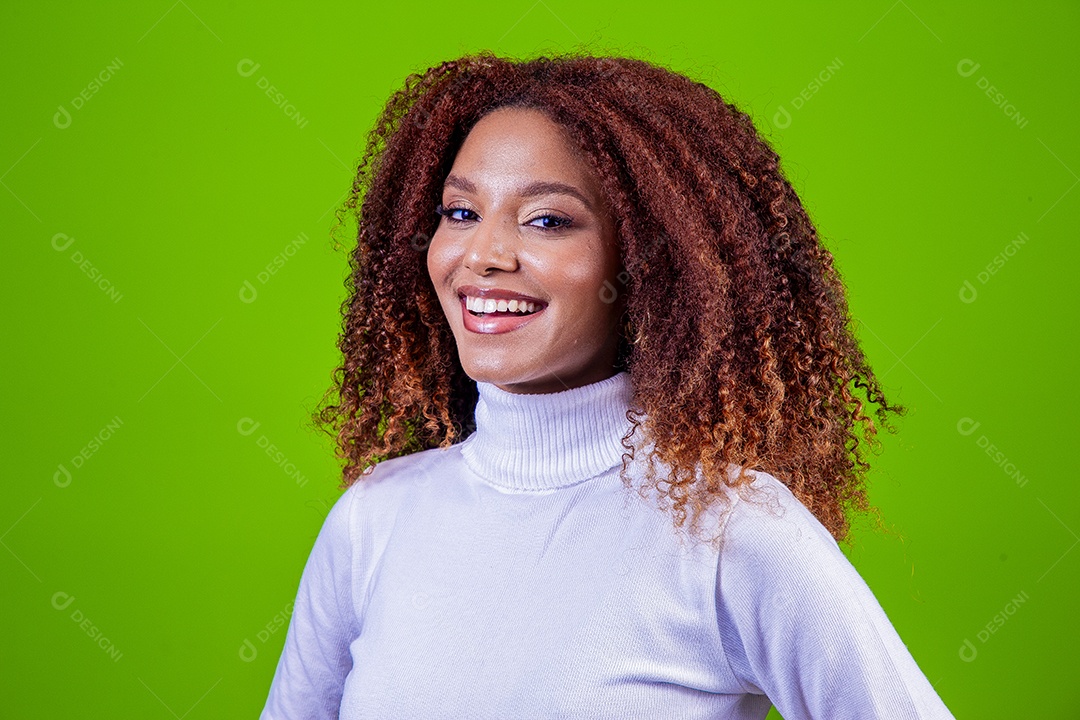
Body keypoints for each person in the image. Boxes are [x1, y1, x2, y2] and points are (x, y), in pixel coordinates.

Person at [259, 52, 956, 719]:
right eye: (461, 213)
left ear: (649, 261)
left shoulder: (732, 531)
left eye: (548, 221)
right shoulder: (373, 520)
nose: (483, 255)